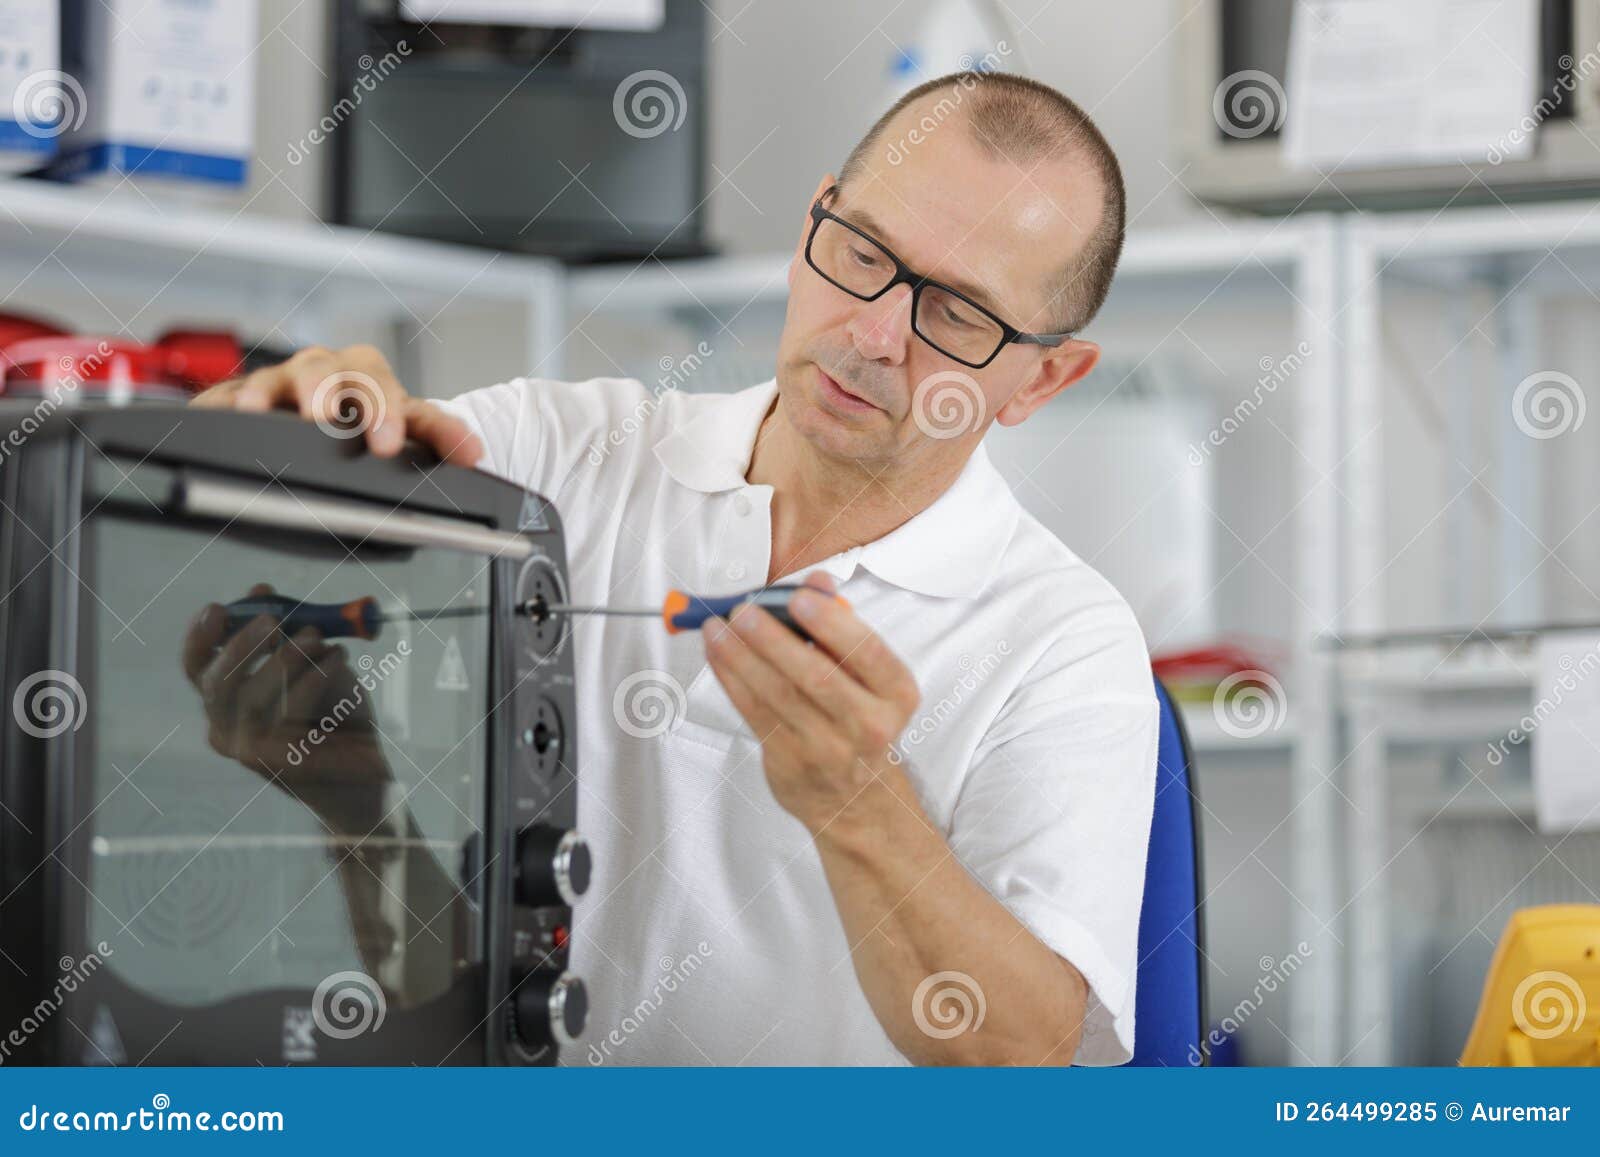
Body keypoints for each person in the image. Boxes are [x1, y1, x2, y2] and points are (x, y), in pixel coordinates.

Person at [191, 71, 1158, 1066]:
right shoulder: (561, 449)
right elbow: (240, 508)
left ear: (1040, 376)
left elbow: (1025, 1054)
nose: (874, 335)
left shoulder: (1062, 642)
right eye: (862, 252)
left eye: (955, 314)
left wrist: (860, 802)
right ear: (809, 228)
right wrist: (289, 427)